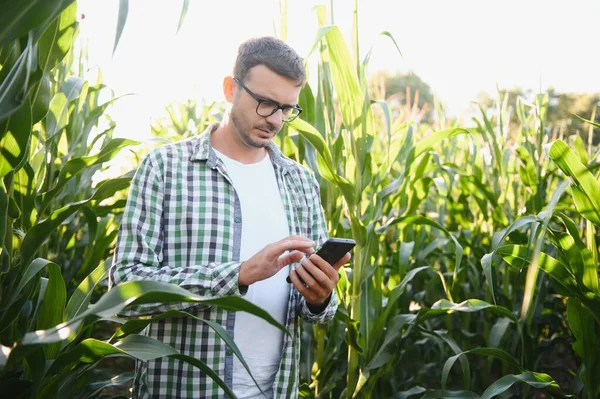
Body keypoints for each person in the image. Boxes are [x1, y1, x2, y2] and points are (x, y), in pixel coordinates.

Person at [109, 36, 351, 399]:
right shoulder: (165, 169)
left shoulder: (301, 183)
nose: (275, 120)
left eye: (287, 109)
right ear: (229, 88)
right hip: (183, 390)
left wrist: (319, 296)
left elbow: (316, 311)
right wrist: (237, 276)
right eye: (266, 103)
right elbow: (124, 291)